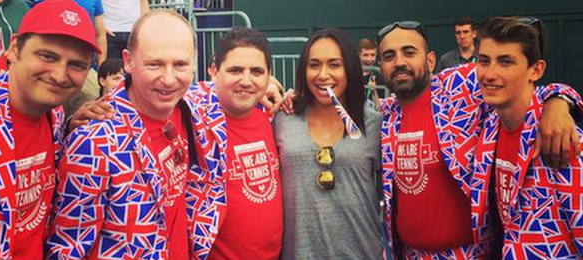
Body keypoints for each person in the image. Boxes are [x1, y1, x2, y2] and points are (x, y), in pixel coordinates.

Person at [376, 20, 581, 259]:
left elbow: (524, 86)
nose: (399, 62)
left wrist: (559, 101)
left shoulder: (461, 87)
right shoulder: (385, 116)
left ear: (431, 60)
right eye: (389, 56)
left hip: (469, 253)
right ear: (381, 67)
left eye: (409, 52)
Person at [45, 9, 196, 259]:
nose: (169, 79)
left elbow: (233, 87)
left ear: (193, 64)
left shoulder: (194, 108)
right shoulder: (94, 142)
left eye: (180, 64)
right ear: (128, 61)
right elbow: (67, 249)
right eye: (154, 64)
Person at [0, 0, 99, 259]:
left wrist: (70, 131)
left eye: (77, 65)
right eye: (47, 56)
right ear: (14, 49)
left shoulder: (55, 116)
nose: (59, 75)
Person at [473, 16, 583, 259]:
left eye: (505, 62)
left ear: (536, 69)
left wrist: (559, 103)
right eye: (483, 61)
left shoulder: (562, 139)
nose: (489, 74)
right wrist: (561, 98)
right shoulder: (488, 124)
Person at [274, 28, 385, 259]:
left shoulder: (374, 124)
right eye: (314, 65)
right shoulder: (283, 119)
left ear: (350, 69)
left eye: (334, 64)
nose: (323, 74)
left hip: (362, 252)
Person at [184, 27, 283, 260]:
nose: (246, 80)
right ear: (213, 71)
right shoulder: (193, 115)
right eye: (235, 70)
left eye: (257, 71)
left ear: (269, 76)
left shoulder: (273, 117)